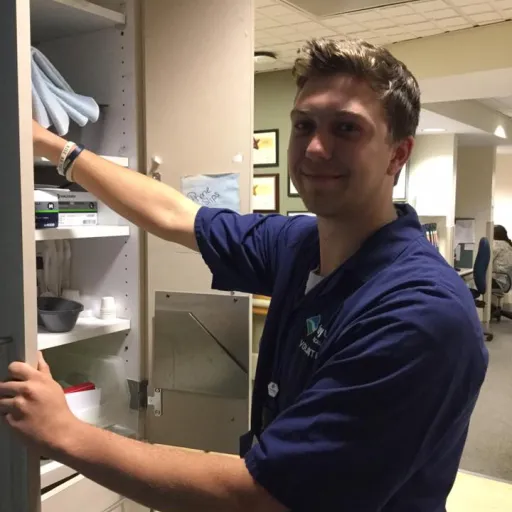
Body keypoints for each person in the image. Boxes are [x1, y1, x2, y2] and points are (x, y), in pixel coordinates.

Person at [0, 38, 487, 512]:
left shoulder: (419, 314)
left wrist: (65, 434)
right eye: (303, 125)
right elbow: (175, 215)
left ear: (399, 154)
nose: (315, 148)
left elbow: (261, 497)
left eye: (346, 129)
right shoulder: (300, 245)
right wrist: (52, 146)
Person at [492, 224, 512, 291]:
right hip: (507, 282)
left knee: (471, 281)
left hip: (499, 281)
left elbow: (487, 260)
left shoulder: (497, 244)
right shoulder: (508, 245)